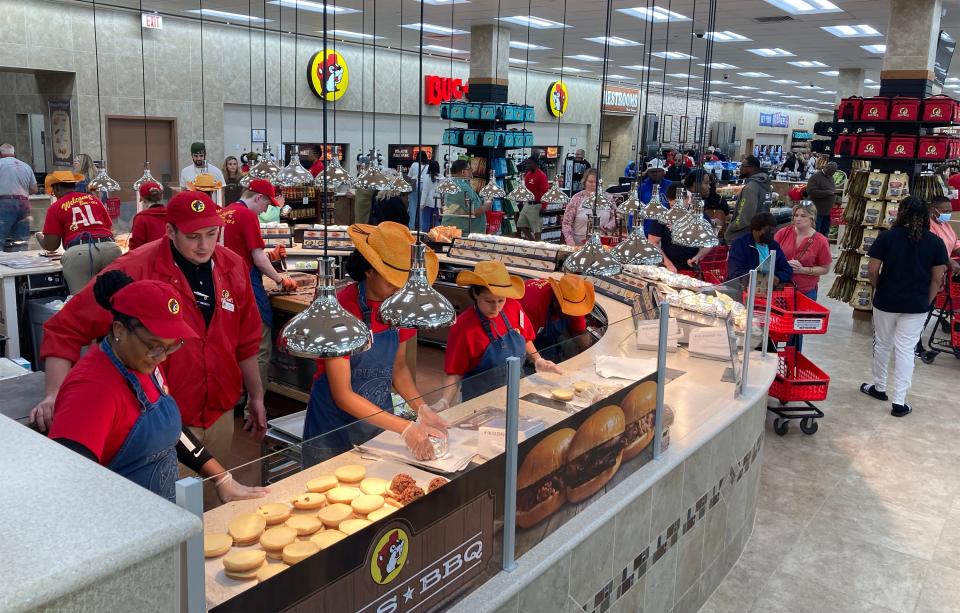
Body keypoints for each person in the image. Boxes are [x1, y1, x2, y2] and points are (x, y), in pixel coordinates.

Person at [33, 191, 270, 500]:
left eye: (212, 234)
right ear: (170, 232)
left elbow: (246, 338)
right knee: (166, 507)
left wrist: (256, 395)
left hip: (216, 411)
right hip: (160, 418)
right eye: (192, 236)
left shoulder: (232, 265)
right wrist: (54, 393)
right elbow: (65, 329)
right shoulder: (132, 271)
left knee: (210, 515)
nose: (204, 246)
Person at [47, 271, 245, 502]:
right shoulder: (92, 390)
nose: (162, 357)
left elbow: (169, 429)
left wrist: (221, 478)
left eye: (170, 346)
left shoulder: (143, 361)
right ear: (120, 330)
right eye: (154, 346)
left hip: (159, 512)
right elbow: (67, 487)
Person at [299, 222, 449, 464]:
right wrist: (405, 428)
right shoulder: (341, 308)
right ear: (369, 271)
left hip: (377, 420)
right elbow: (343, 394)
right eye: (391, 281)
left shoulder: (402, 306)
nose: (399, 288)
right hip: (332, 425)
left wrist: (422, 409)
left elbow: (398, 369)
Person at [861, 196, 949, 417]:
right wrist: (927, 301)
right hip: (917, 303)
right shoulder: (935, 243)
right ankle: (899, 401)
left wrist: (878, 288)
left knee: (882, 344)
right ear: (927, 216)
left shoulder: (886, 237)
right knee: (906, 350)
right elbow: (937, 279)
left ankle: (879, 388)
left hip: (886, 300)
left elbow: (872, 270)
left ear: (900, 212)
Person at [442, 261, 561, 402]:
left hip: (517, 389)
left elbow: (525, 338)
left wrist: (537, 359)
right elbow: (455, 372)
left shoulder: (513, 306)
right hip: (480, 399)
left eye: (501, 300)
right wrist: (444, 401)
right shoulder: (463, 326)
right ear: (475, 294)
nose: (496, 308)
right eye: (489, 301)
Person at [220, 179, 297, 388]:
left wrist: (271, 256)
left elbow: (238, 251)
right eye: (266, 204)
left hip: (224, 288)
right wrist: (281, 279)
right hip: (246, 287)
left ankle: (235, 400)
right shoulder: (247, 216)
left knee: (234, 346)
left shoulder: (224, 212)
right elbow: (257, 259)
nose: (265, 210)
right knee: (259, 347)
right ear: (258, 197)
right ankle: (255, 407)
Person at [36, 171, 122, 294]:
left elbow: (51, 245)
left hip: (80, 254)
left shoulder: (55, 207)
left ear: (57, 188)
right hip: (111, 249)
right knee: (117, 298)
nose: (54, 194)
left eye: (53, 191)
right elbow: (110, 229)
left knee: (82, 303)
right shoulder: (94, 199)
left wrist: (38, 235)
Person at [519, 274, 596, 358]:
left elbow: (581, 335)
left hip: (546, 341)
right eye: (567, 309)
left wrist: (587, 357)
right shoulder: (533, 305)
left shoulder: (575, 299)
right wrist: (539, 362)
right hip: (522, 335)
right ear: (556, 298)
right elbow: (524, 343)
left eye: (573, 311)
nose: (570, 315)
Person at [648, 183, 714, 273]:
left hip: (691, 265)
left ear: (687, 199)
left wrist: (698, 256)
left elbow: (708, 243)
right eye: (672, 206)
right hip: (668, 266)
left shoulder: (699, 215)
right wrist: (667, 262)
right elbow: (652, 241)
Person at [774, 202, 832, 300]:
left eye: (803, 216)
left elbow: (825, 269)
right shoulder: (783, 233)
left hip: (806, 292)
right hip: (780, 288)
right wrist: (784, 264)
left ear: (812, 218)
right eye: (796, 215)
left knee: (803, 315)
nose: (798, 219)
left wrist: (803, 270)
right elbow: (769, 256)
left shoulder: (821, 240)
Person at [727, 212, 793, 286]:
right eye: (768, 231)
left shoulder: (773, 245)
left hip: (770, 290)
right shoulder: (740, 245)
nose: (771, 233)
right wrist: (758, 279)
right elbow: (735, 273)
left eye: (773, 231)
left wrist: (777, 277)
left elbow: (787, 269)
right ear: (756, 229)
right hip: (746, 289)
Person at [562, 168, 616, 246]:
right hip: (579, 243)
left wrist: (608, 227)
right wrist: (570, 242)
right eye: (590, 182)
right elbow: (566, 223)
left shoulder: (608, 198)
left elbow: (616, 216)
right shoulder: (577, 198)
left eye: (596, 182)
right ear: (585, 182)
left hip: (602, 243)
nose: (593, 184)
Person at [725, 155, 773, 243]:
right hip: (760, 233)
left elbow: (746, 216)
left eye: (743, 166)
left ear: (753, 168)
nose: (740, 168)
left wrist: (731, 228)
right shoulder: (766, 184)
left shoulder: (751, 187)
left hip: (746, 236)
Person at [0, 143, 36, 248]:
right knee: (21, 240)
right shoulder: (26, 166)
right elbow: (34, 189)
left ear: (1, 154)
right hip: (23, 204)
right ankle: (21, 261)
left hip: (4, 203)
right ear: (14, 154)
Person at [440, 159, 489, 235]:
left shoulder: (452, 184)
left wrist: (481, 200)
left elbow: (462, 204)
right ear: (463, 172)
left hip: (454, 230)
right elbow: (474, 211)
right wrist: (486, 206)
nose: (471, 172)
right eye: (469, 169)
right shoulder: (462, 186)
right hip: (464, 233)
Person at [516, 157, 550, 241]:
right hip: (528, 203)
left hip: (537, 205)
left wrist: (544, 207)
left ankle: (537, 245)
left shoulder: (541, 176)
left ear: (535, 164)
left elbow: (545, 192)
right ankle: (532, 241)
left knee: (536, 229)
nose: (527, 165)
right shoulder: (528, 174)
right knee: (520, 224)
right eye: (527, 163)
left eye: (529, 163)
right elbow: (527, 190)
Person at [129, 181, 167, 249]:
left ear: (143, 199)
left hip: (151, 258)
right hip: (172, 257)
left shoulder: (141, 218)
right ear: (161, 196)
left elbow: (136, 246)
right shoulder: (172, 214)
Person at [928, 195, 960, 274]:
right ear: (933, 210)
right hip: (934, 271)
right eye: (945, 211)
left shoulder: (946, 225)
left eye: (950, 211)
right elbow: (933, 251)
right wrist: (949, 261)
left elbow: (955, 245)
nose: (948, 214)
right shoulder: (927, 227)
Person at [805, 160, 838, 237]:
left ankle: (823, 247)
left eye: (834, 172)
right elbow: (810, 191)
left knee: (825, 232)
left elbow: (831, 189)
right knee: (815, 232)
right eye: (832, 171)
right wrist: (827, 193)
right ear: (826, 168)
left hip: (827, 211)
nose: (833, 173)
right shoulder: (815, 177)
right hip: (817, 211)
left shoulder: (830, 177)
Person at [406, 151, 429, 228]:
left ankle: (411, 227)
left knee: (412, 206)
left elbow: (409, 177)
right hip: (424, 186)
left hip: (415, 185)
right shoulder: (428, 166)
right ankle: (421, 227)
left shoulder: (414, 164)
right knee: (421, 207)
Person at [418, 160, 441, 231]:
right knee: (436, 221)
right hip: (437, 202)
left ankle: (424, 237)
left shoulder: (427, 177)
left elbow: (425, 191)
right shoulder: (441, 177)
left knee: (425, 221)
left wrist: (422, 204)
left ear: (429, 167)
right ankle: (437, 236)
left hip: (427, 202)